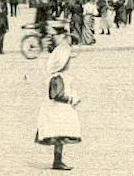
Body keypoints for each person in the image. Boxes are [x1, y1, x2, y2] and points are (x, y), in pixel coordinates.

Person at [35, 35, 81, 170]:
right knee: (59, 135)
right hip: (57, 111)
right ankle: (57, 161)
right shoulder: (57, 78)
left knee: (60, 136)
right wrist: (71, 99)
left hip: (58, 110)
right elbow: (55, 95)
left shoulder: (60, 77)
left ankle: (58, 160)